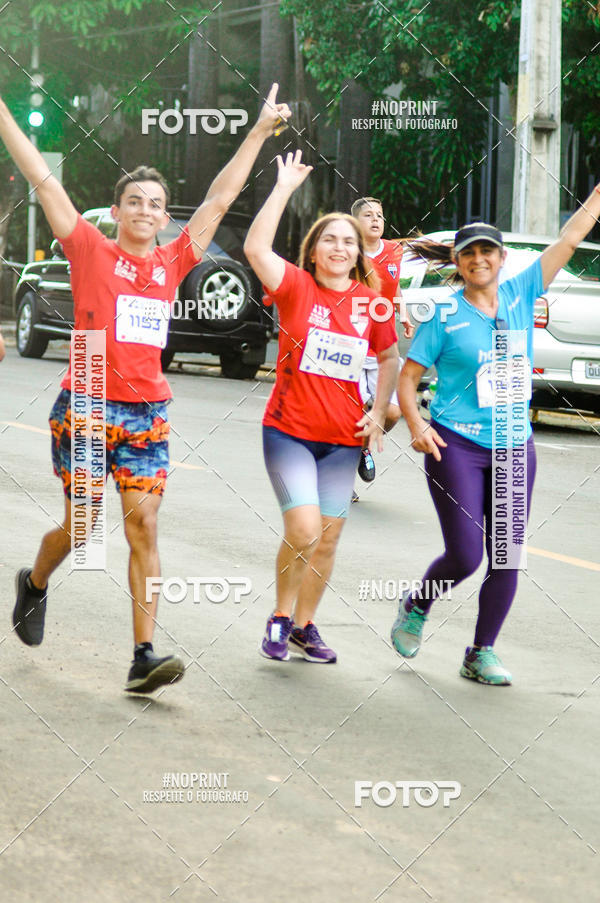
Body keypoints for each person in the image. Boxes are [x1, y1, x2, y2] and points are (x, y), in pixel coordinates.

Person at [2, 84, 290, 693]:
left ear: (164, 217)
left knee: (144, 525)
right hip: (84, 400)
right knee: (81, 530)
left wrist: (260, 132)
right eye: (132, 201)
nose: (142, 209)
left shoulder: (175, 260)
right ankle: (34, 581)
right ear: (116, 212)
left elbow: (220, 196)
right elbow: (43, 179)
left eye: (154, 203)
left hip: (147, 411)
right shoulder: (87, 247)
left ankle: (142, 655)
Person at [391, 196, 600, 686]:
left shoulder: (522, 292)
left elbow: (569, 238)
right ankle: (418, 605)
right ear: (459, 263)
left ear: (502, 258)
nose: (479, 259)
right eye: (469, 253)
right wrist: (417, 425)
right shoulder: (443, 316)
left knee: (506, 554)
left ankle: (480, 652)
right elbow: (409, 376)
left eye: (488, 251)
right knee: (466, 554)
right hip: (455, 445)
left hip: (512, 446)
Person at [244, 151, 399, 664]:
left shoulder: (371, 303)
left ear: (359, 254)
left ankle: (304, 626)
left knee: (328, 541)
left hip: (342, 442)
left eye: (348, 241)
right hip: (289, 432)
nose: (339, 246)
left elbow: (390, 356)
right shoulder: (295, 288)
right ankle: (279, 616)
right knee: (304, 530)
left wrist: (378, 414)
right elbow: (254, 246)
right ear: (313, 252)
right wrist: (284, 187)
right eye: (329, 238)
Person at [350, 197, 414, 496]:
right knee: (346, 414)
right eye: (368, 215)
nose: (375, 219)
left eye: (380, 215)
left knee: (390, 413)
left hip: (382, 348)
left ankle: (362, 450)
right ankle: (337, 476)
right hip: (348, 345)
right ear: (355, 221)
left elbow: (394, 284)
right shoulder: (346, 250)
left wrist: (404, 314)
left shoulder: (394, 251)